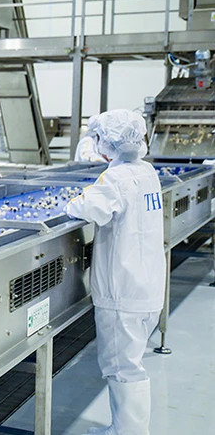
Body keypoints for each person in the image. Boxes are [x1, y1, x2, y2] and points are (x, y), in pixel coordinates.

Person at [64, 109, 163, 435]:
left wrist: (71, 202)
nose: (98, 144)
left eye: (100, 138)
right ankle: (123, 429)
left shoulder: (116, 178)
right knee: (129, 364)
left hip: (123, 293)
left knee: (122, 368)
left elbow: (88, 208)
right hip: (147, 287)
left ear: (111, 141)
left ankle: (129, 433)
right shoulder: (147, 171)